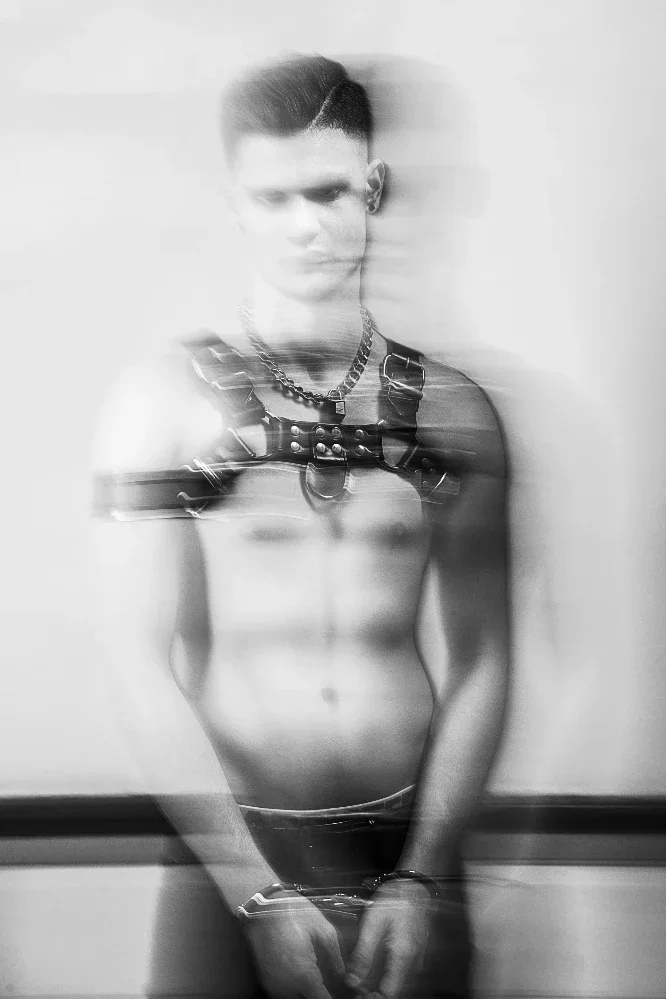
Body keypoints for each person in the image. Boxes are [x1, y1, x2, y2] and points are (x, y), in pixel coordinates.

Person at [92, 54, 509, 999]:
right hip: (233, 849)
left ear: (375, 188)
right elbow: (135, 661)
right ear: (234, 203)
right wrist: (255, 890)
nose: (305, 225)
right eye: (273, 198)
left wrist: (423, 873)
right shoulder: (160, 405)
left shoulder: (455, 411)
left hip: (409, 848)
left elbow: (488, 655)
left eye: (328, 191)